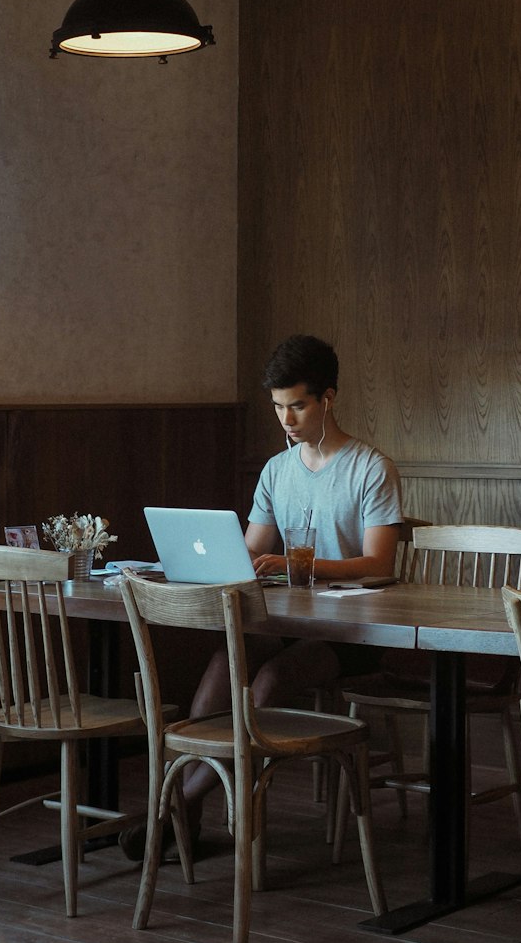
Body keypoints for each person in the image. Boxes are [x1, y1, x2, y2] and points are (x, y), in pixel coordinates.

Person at [122, 333, 402, 857]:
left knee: (270, 677)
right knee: (228, 659)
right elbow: (249, 552)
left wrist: (303, 565)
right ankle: (186, 811)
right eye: (278, 408)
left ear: (328, 398)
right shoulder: (277, 471)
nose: (287, 420)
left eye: (298, 405)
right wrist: (226, 563)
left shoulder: (370, 467)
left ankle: (176, 805)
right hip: (287, 625)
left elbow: (380, 563)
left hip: (354, 631)